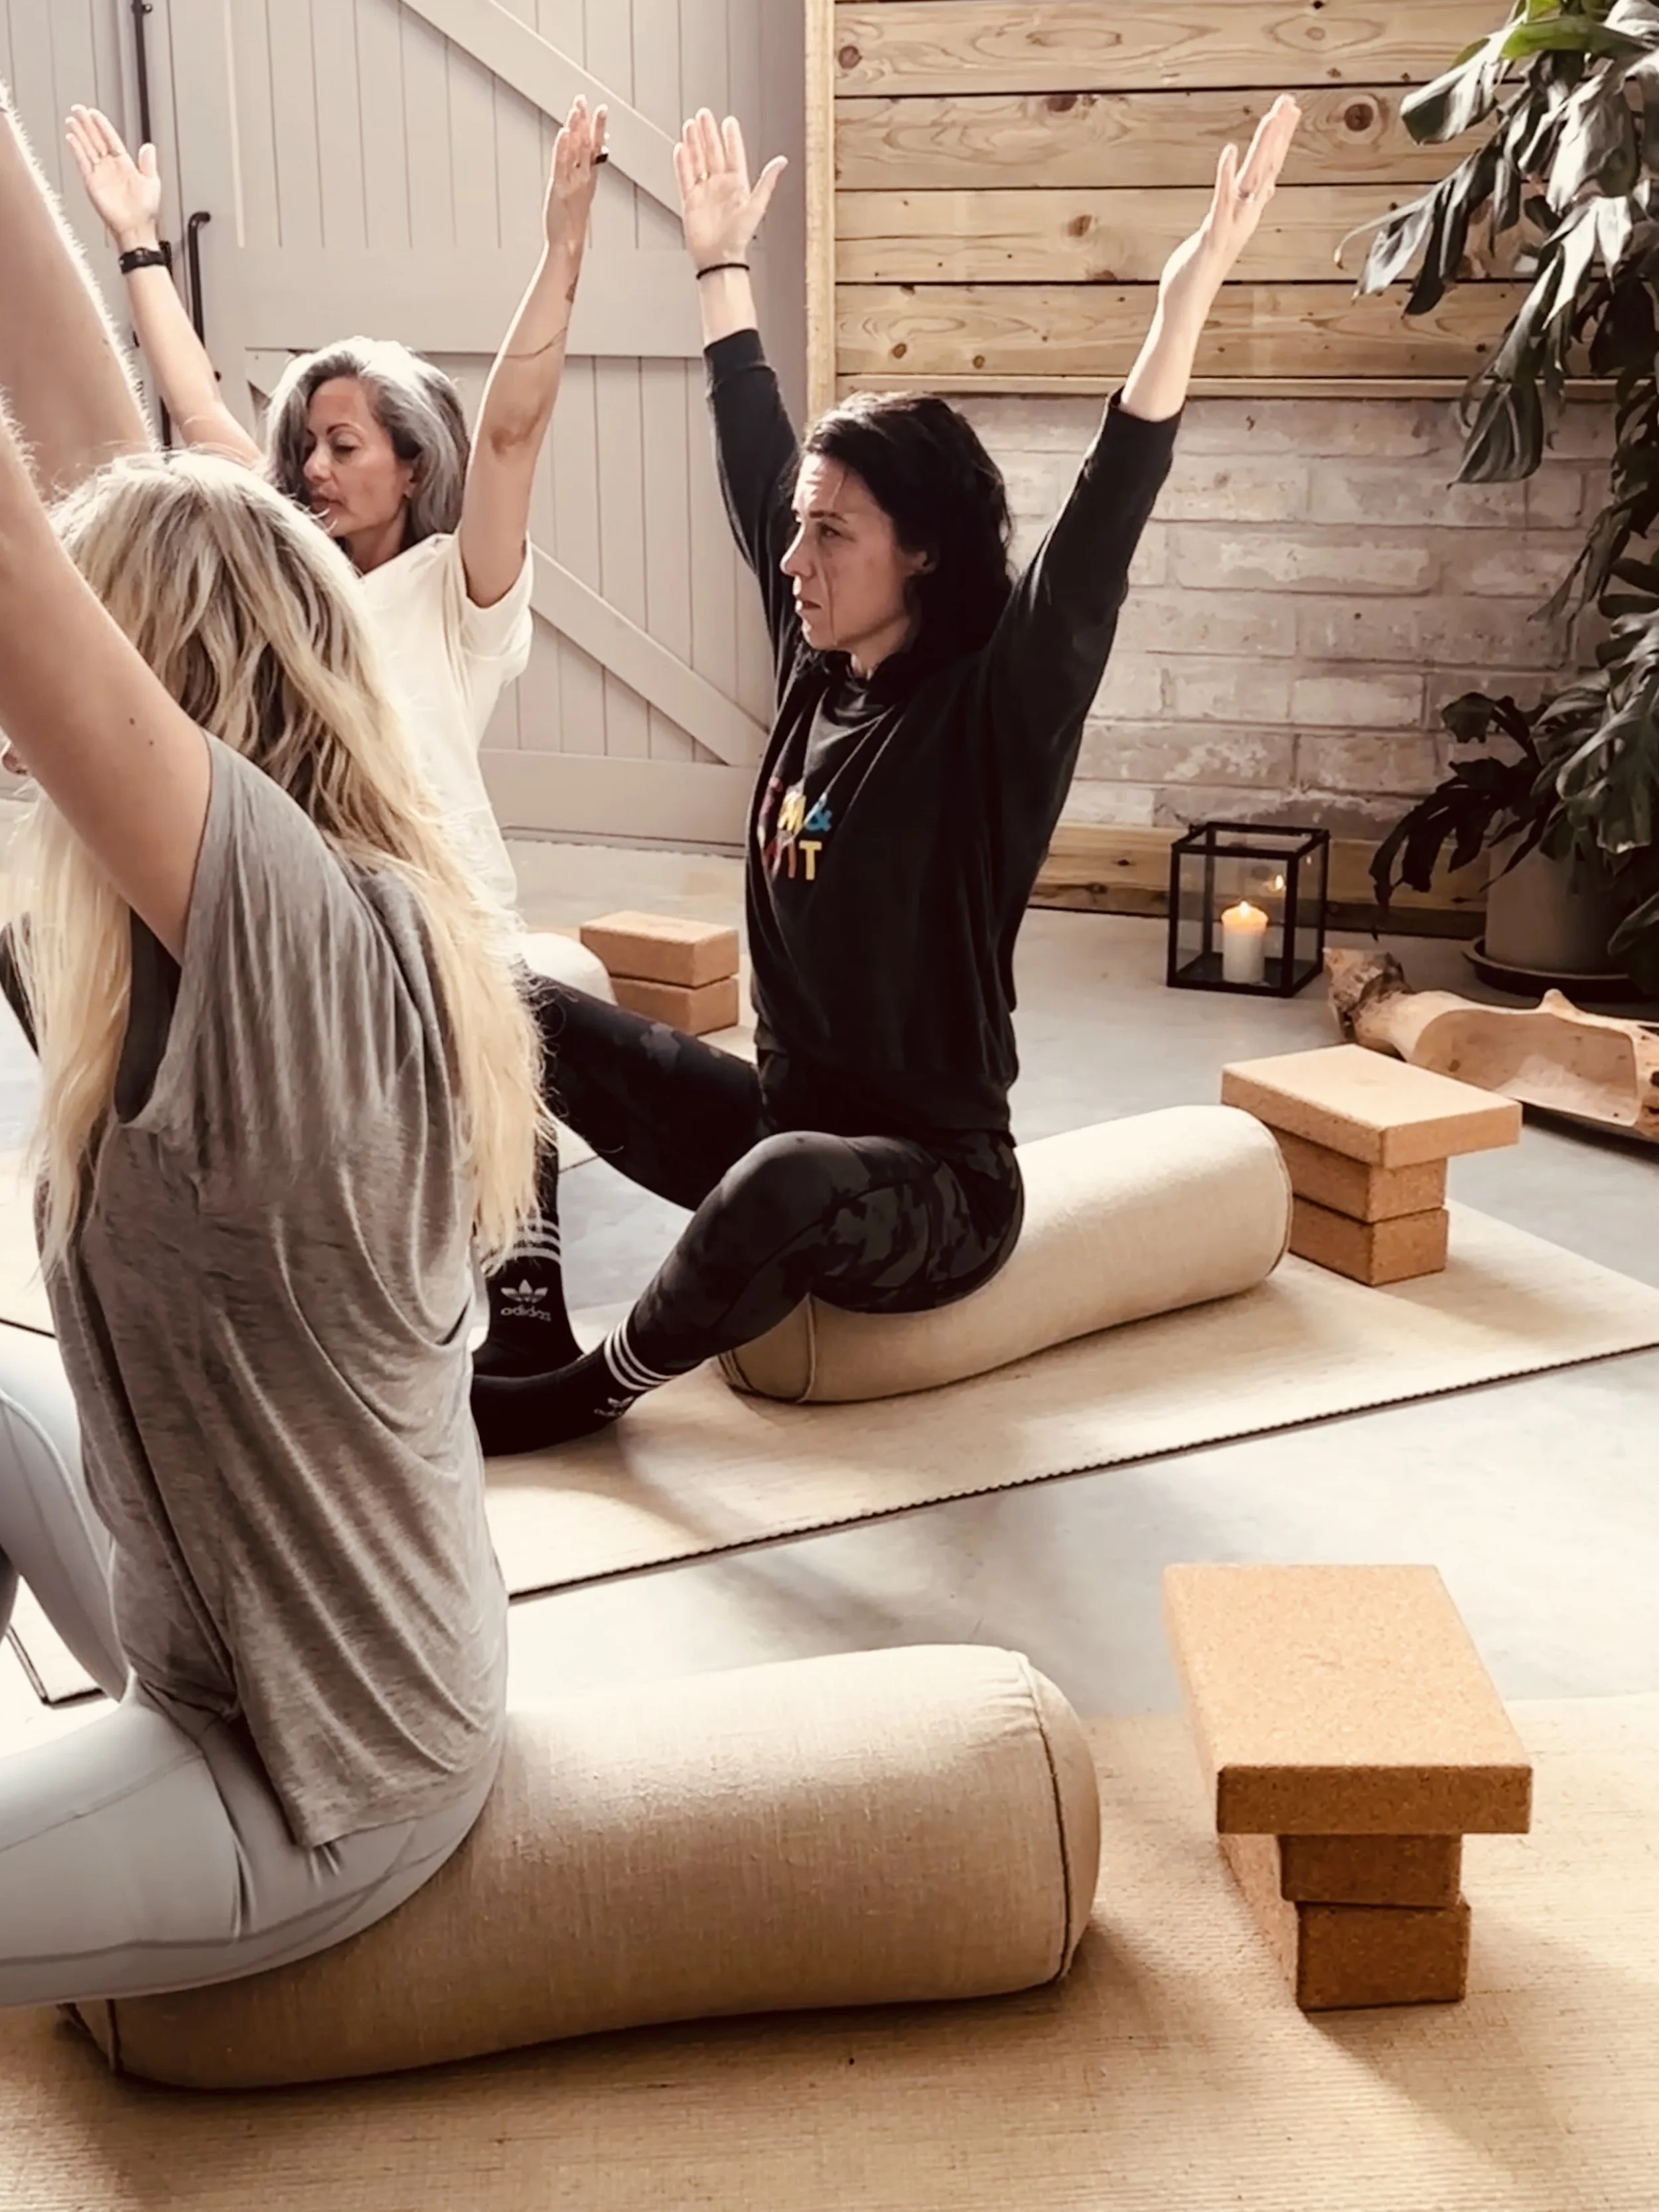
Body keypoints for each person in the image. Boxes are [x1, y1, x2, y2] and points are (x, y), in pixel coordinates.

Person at [467, 96, 1305, 1455]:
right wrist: (716, 262)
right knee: (507, 998)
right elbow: (753, 444)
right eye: (796, 532)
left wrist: (1182, 303)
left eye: (830, 535)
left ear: (918, 550)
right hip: (781, 1119)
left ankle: (585, 1395)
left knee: (781, 1184)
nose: (793, 559)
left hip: (935, 1191)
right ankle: (521, 1307)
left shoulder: (992, 714)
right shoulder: (815, 658)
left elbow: (1098, 530)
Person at [0, 82, 546, 2006]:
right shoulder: (233, 907)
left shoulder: (304, 937)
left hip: (316, 1771)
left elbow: (20, 578)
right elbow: (88, 475)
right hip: (218, 1627)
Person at [52, 96, 607, 1376]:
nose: (310, 464)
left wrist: (564, 245)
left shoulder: (459, 593)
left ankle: (527, 1313)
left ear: (410, 465)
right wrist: (138, 249)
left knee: (509, 1032)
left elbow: (515, 428)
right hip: (307, 908)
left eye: (342, 445)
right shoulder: (284, 575)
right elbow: (199, 424)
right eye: (304, 441)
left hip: (443, 912)